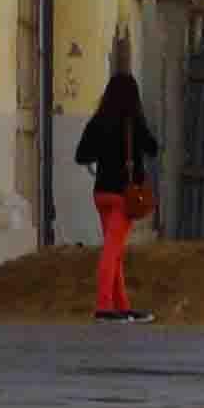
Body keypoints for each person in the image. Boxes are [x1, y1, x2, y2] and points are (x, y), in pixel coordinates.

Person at [75, 35, 159, 322]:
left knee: (116, 251)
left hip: (101, 194)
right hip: (124, 196)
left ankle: (122, 306)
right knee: (112, 252)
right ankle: (104, 306)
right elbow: (153, 148)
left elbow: (81, 155)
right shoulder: (133, 122)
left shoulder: (98, 121)